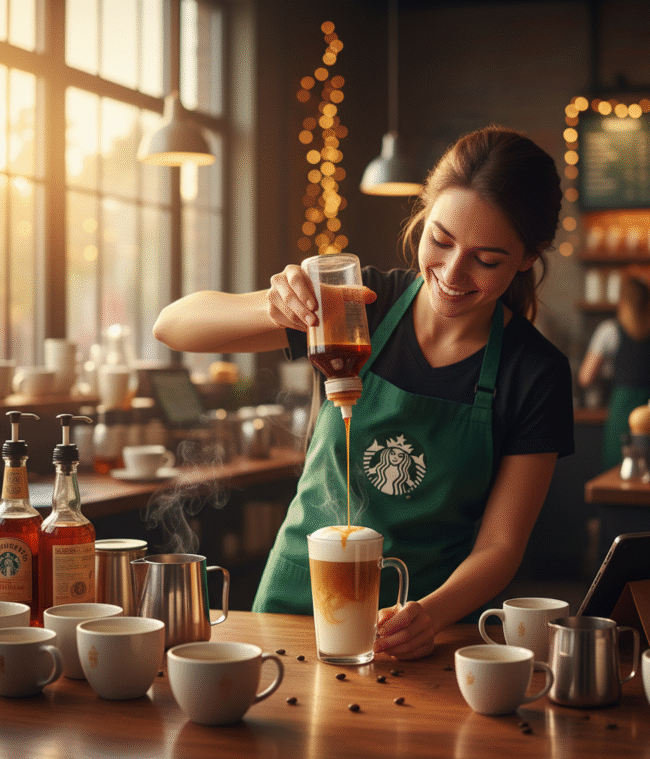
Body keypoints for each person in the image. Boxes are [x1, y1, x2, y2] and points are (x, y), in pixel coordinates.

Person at [153, 125, 575, 660]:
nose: (451, 272)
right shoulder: (356, 305)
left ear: (526, 258)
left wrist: (434, 613)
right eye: (440, 241)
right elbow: (172, 325)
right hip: (292, 608)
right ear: (422, 217)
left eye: (486, 260)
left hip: (416, 627)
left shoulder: (534, 372)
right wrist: (274, 305)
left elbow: (500, 547)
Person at [578, 275, 650, 469]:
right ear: (649, 302)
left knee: (620, 471)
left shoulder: (609, 330)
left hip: (623, 410)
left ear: (622, 302)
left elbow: (585, 378)